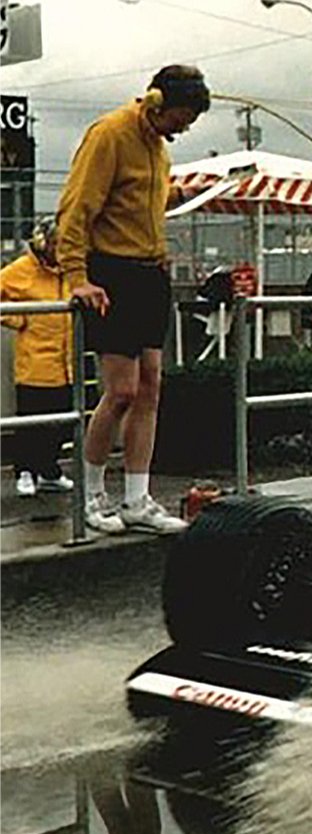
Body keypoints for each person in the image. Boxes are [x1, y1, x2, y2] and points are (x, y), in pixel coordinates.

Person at [55, 64, 211, 534]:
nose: (184, 128)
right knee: (120, 390)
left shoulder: (158, 148)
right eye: (182, 117)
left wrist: (185, 192)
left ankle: (137, 498)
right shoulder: (110, 134)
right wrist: (77, 276)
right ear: (158, 103)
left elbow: (145, 200)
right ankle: (92, 491)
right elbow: (76, 206)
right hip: (112, 272)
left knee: (150, 387)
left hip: (149, 272)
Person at [0, 216, 76, 497]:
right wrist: (19, 319)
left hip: (66, 362)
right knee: (31, 421)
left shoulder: (69, 271)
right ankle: (25, 471)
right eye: (57, 244)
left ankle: (49, 470)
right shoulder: (20, 270)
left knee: (60, 423)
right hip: (35, 360)